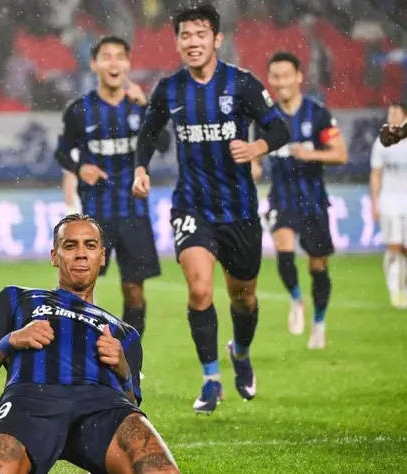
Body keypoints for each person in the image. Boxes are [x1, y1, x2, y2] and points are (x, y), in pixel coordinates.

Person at [133, 3, 289, 414]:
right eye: (185, 35)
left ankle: (241, 351)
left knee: (244, 300)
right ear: (177, 42)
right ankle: (210, 379)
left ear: (217, 39)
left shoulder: (242, 84)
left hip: (239, 210)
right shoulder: (169, 89)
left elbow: (279, 128)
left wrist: (256, 147)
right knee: (200, 289)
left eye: (200, 34)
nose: (193, 42)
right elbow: (148, 132)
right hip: (192, 207)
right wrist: (140, 168)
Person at [0, 214, 179, 474]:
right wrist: (8, 343)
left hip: (103, 404)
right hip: (31, 400)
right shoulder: (17, 298)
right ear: (55, 256)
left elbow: (131, 404)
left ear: (102, 256)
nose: (81, 254)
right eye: (70, 245)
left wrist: (124, 371)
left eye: (90, 245)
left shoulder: (124, 333)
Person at [55, 36, 161, 359]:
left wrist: (148, 108)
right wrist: (80, 168)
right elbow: (61, 152)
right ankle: (82, 358)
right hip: (95, 216)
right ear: (94, 64)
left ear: (128, 64)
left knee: (134, 290)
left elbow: (165, 144)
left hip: (134, 212)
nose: (113, 63)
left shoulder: (139, 107)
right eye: (106, 57)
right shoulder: (79, 110)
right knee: (81, 288)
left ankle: (128, 360)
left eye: (119, 57)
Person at [253, 51, 347, 349]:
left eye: (286, 76)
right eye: (275, 77)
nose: (281, 82)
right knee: (284, 253)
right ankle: (296, 299)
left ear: (298, 77)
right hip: (281, 200)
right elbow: (255, 159)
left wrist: (311, 154)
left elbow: (341, 154)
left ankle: (319, 322)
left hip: (313, 201)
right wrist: (252, 167)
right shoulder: (265, 120)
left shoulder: (317, 114)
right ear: (270, 80)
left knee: (318, 267)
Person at [370, 103, 407, 309]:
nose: (391, 116)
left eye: (395, 113)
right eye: (389, 112)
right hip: (389, 201)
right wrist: (374, 202)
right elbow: (376, 174)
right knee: (393, 246)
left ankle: (404, 285)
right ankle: (395, 289)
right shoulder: (381, 142)